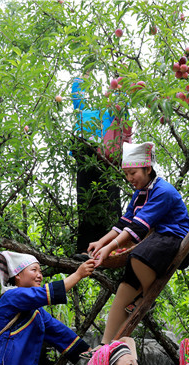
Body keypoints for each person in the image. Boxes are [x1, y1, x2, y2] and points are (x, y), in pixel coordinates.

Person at [88, 141, 189, 343]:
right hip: (155, 244)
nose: (129, 178)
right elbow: (124, 222)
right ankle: (106, 345)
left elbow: (137, 228)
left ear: (147, 169)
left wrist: (109, 249)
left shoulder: (163, 191)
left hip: (175, 239)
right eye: (127, 174)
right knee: (125, 285)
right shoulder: (139, 194)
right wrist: (101, 242)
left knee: (137, 256)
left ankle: (147, 297)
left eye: (133, 173)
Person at [71, 75, 132, 254]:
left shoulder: (116, 106)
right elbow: (77, 94)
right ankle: (86, 247)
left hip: (108, 155)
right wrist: (83, 76)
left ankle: (111, 245)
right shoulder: (85, 107)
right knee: (86, 198)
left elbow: (125, 127)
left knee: (110, 198)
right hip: (87, 149)